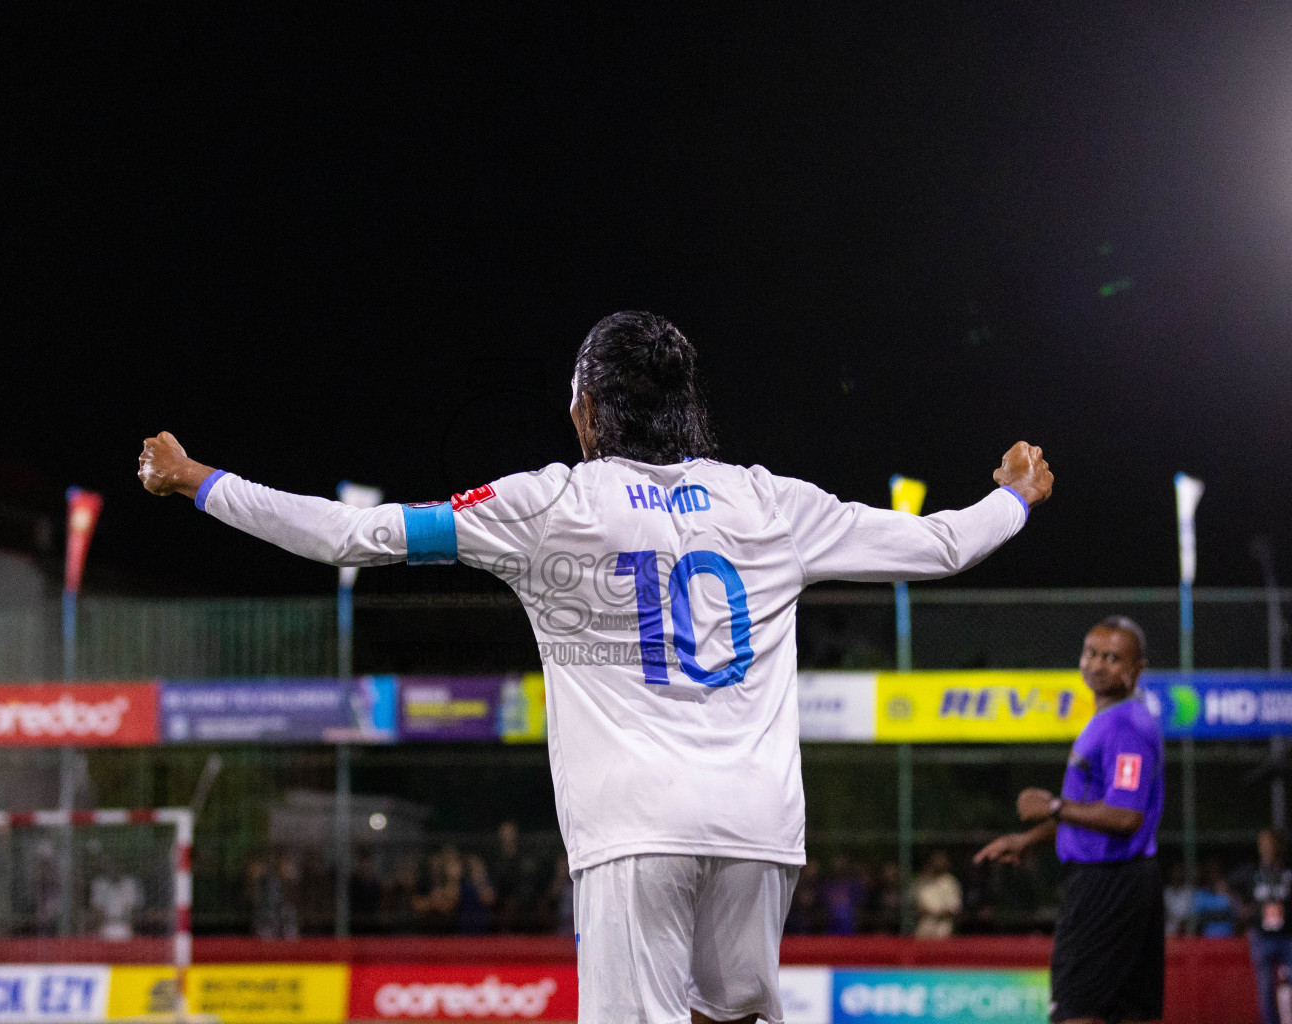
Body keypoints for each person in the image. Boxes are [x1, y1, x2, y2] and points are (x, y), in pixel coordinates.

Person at [139, 310, 1052, 1024]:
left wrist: (197, 480)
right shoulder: (770, 501)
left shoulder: (548, 504)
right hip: (761, 826)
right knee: (731, 1017)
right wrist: (1011, 497)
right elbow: (942, 545)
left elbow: (347, 536)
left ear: (585, 407)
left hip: (636, 828)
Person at [975, 617, 1164, 1024]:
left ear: (1137, 669)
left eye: (1112, 658)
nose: (1097, 664)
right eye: (1091, 653)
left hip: (1108, 884)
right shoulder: (1111, 719)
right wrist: (1028, 840)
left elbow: (1126, 816)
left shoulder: (1125, 726)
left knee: (1077, 1011)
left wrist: (1054, 806)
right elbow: (1096, 811)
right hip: (1127, 882)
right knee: (1126, 1012)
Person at [1237, 829, 1292, 1024]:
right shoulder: (1253, 871)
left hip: (1288, 935)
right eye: (1263, 844)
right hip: (1262, 936)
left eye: (1270, 843)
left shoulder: (1287, 870)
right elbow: (1236, 893)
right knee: (1265, 988)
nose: (1266, 848)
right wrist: (1245, 911)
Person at [89, 857, 142, 941]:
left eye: (117, 866)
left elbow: (132, 911)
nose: (114, 869)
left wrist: (131, 928)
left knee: (124, 934)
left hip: (124, 925)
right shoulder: (100, 883)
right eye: (111, 866)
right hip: (106, 926)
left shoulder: (130, 884)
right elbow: (97, 910)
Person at [912, 850, 962, 939]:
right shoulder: (921, 882)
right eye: (936, 860)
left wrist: (935, 913)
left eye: (942, 860)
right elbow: (916, 907)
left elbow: (954, 909)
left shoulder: (951, 882)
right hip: (924, 931)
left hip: (944, 932)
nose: (939, 863)